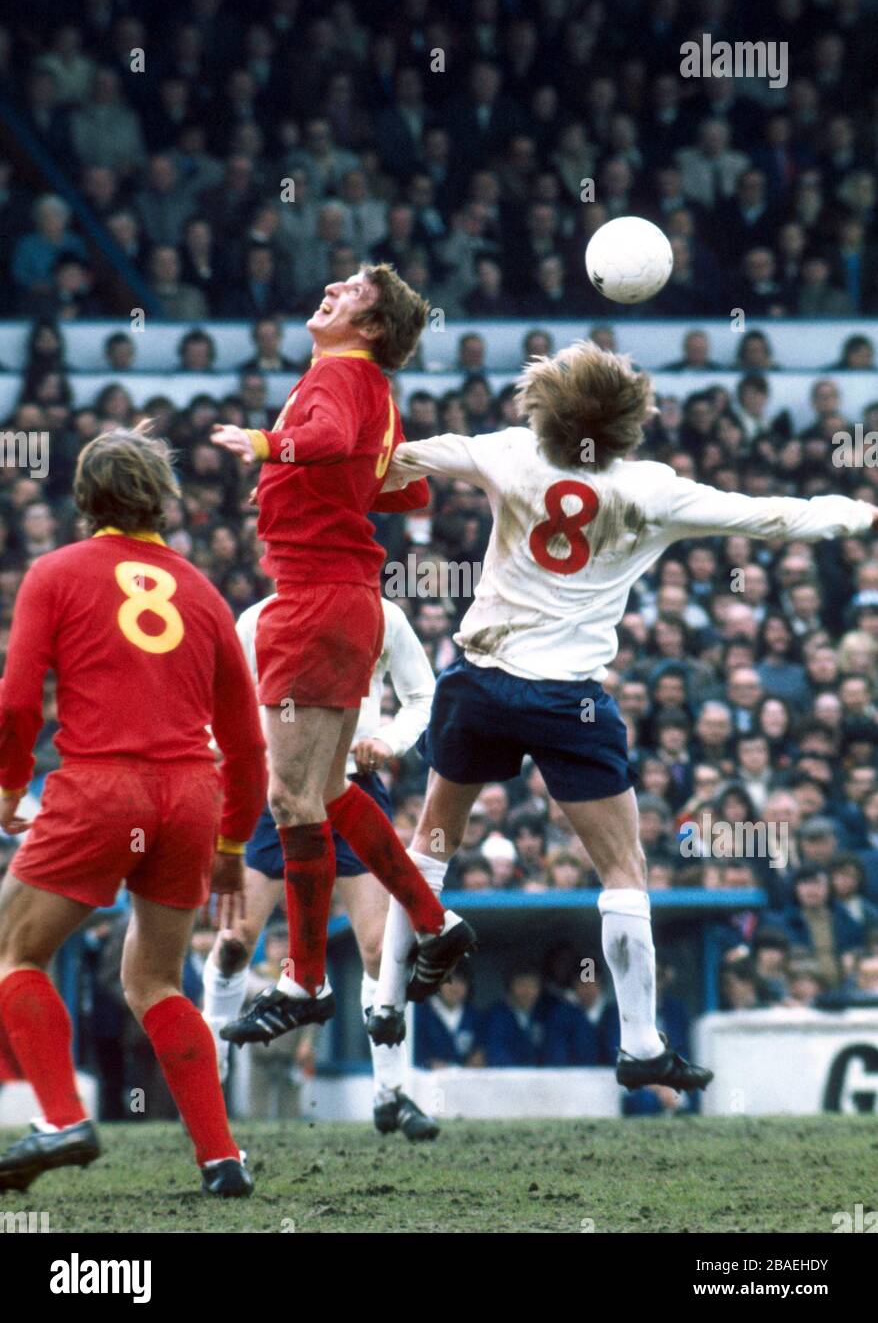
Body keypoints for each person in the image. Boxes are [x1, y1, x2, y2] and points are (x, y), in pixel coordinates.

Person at [372, 339, 876, 1094]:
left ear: (545, 407)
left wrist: (296, 450)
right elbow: (773, 517)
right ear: (629, 419)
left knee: (432, 843)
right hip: (567, 700)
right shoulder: (652, 489)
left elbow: (401, 457)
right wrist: (855, 512)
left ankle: (383, 1002)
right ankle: (640, 1044)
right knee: (622, 870)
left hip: (480, 681)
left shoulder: (509, 454)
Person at [210, 264, 475, 1045]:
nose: (331, 286)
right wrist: (304, 482)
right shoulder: (372, 389)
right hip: (346, 598)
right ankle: (435, 921)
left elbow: (324, 442)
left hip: (313, 598)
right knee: (323, 795)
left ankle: (305, 981)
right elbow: (404, 489)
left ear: (370, 327)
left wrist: (264, 446)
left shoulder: (338, 375)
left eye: (353, 290)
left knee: (290, 801)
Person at [0, 429, 266, 1197]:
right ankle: (221, 1159)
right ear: (163, 500)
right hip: (191, 796)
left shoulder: (54, 573)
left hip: (100, 788)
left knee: (14, 953)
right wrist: (230, 843)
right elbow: (246, 743)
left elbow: (18, 703)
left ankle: (61, 1119)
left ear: (85, 501)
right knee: (155, 980)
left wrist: (11, 788)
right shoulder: (204, 591)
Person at [203, 592, 441, 1141]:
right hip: (276, 793)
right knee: (236, 939)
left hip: (351, 791)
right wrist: (230, 750)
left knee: (379, 946)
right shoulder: (258, 618)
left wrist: (387, 739)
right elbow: (226, 698)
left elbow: (422, 695)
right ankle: (209, 1082)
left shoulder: (385, 615)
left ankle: (390, 1092)